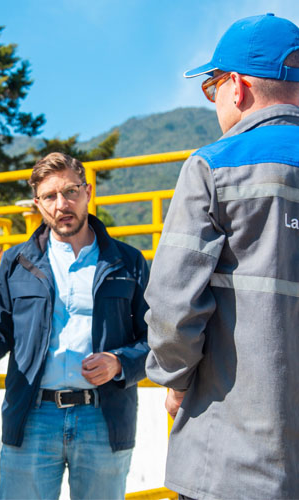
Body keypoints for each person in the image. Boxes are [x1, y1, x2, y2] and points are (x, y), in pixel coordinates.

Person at [0, 152, 150, 499]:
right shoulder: (17, 262)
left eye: (71, 191)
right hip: (32, 418)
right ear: (37, 204)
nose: (62, 204)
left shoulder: (127, 261)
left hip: (103, 419)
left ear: (88, 191)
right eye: (50, 196)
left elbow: (153, 339)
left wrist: (120, 363)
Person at [144, 13, 299, 500]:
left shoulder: (214, 166)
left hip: (236, 461)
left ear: (237, 86)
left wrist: (174, 378)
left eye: (211, 88)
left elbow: (173, 304)